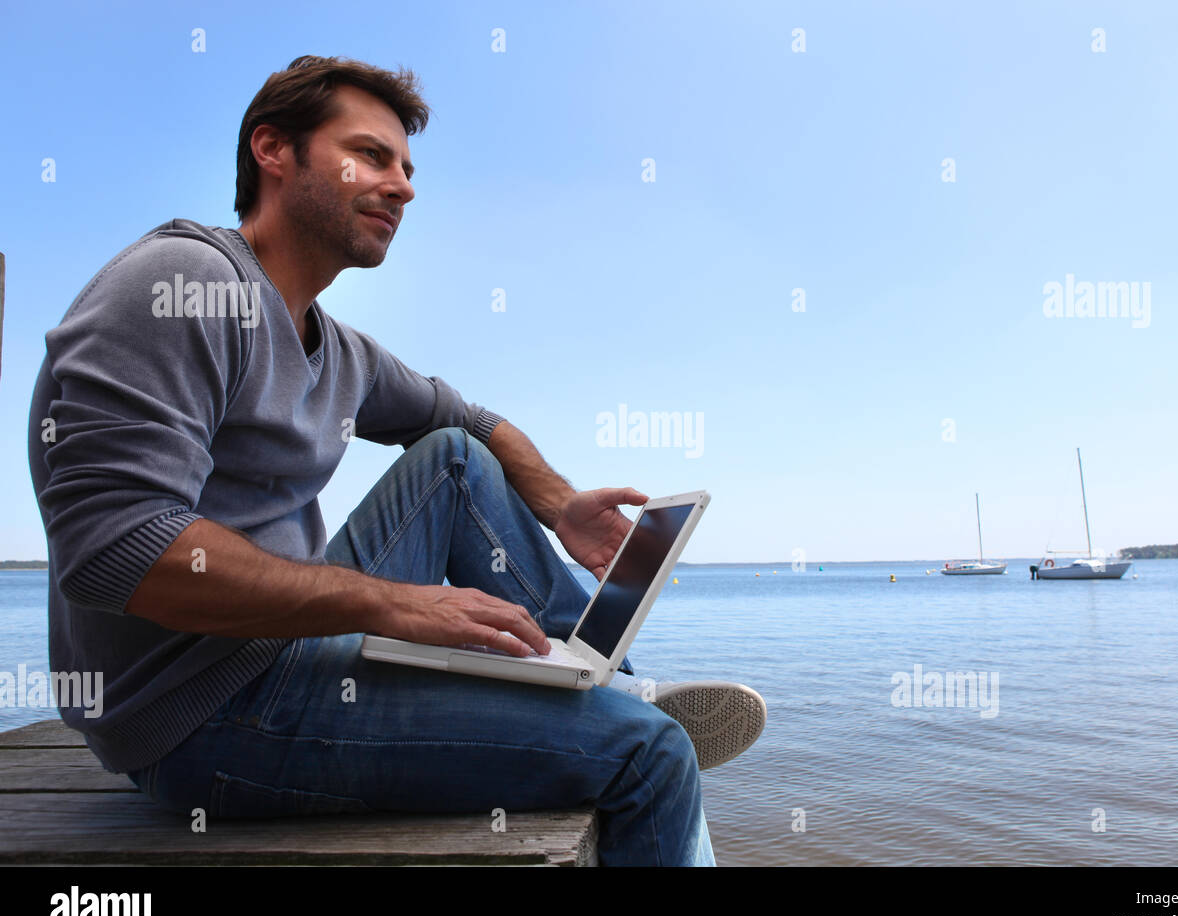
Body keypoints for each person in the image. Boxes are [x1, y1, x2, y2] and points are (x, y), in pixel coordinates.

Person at [26, 55, 764, 866]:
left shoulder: (340, 351)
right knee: (651, 755)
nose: (404, 186)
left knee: (451, 457)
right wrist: (390, 604)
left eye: (407, 168)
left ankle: (598, 679)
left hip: (284, 647)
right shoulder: (185, 284)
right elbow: (116, 552)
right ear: (273, 151)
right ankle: (624, 720)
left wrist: (558, 507)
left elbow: (474, 422)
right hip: (197, 714)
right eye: (371, 156)